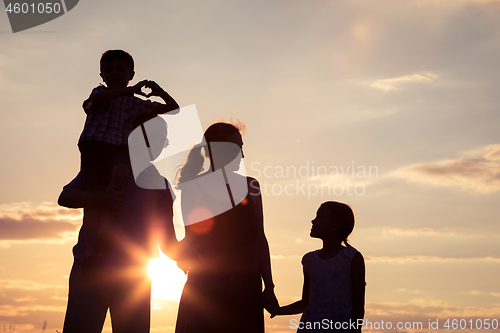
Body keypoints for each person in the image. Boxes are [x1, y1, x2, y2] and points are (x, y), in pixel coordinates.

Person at [60, 115, 181, 333]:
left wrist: (197, 253)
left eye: (160, 140)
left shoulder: (160, 185)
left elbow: (167, 242)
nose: (154, 145)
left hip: (135, 276)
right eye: (149, 137)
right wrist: (101, 198)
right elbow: (66, 197)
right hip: (91, 268)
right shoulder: (105, 169)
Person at [174, 122, 278, 333]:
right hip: (207, 287)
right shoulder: (194, 187)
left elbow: (260, 238)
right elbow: (191, 238)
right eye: (236, 148)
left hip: (247, 285)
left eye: (241, 147)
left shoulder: (251, 186)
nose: (242, 155)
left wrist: (269, 286)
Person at [78, 49, 179, 258]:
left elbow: (173, 108)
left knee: (121, 176)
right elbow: (95, 101)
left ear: (131, 74)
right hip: (94, 148)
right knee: (92, 203)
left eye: (120, 69)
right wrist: (130, 90)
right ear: (102, 76)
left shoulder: (134, 104)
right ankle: (90, 249)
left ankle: (106, 229)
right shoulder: (99, 93)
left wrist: (158, 90)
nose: (114, 73)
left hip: (116, 148)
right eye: (109, 70)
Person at [272, 201, 366, 333]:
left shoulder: (352, 258)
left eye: (319, 216)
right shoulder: (310, 260)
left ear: (335, 225)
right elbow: (305, 303)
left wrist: (356, 330)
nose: (313, 221)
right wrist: (278, 310)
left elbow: (358, 305)